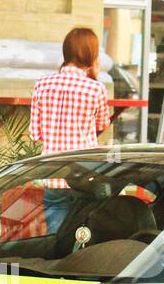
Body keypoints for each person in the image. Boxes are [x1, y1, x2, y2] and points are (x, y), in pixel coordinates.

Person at [29, 26, 110, 232]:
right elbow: (103, 124)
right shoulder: (96, 88)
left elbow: (35, 133)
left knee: (57, 234)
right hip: (85, 173)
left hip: (53, 172)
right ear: (91, 54)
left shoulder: (42, 84)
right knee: (85, 230)